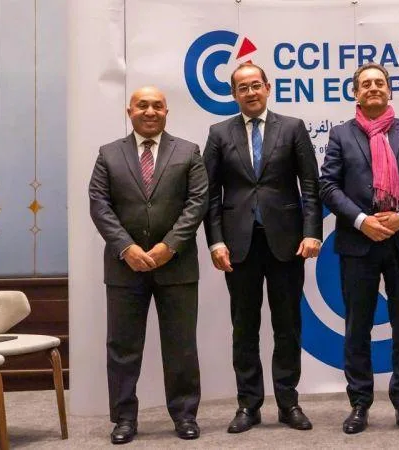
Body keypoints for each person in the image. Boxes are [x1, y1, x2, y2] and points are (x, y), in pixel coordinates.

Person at [203, 63, 322, 433]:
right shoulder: (219, 133)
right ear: (234, 94)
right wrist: (216, 240)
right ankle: (248, 406)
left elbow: (311, 186)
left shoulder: (292, 128)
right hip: (238, 246)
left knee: (288, 326)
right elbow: (208, 194)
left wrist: (312, 232)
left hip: (287, 243)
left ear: (268, 88)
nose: (250, 92)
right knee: (245, 327)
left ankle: (288, 403)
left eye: (256, 85)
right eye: (242, 87)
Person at [320, 62, 399, 435]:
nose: (372, 88)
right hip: (358, 243)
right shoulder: (340, 135)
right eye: (365, 84)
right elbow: (329, 187)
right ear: (355, 93)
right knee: (357, 329)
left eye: (379, 83)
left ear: (389, 90)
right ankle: (359, 404)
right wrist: (362, 221)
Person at [89, 86, 208, 444]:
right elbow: (99, 204)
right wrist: (126, 247)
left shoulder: (188, 151)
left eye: (157, 105)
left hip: (177, 266)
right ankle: (124, 419)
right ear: (131, 111)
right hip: (125, 268)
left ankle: (185, 415)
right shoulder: (108, 154)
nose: (151, 111)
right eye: (143, 105)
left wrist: (168, 247)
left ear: (167, 111)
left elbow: (197, 203)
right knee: (123, 347)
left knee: (181, 346)